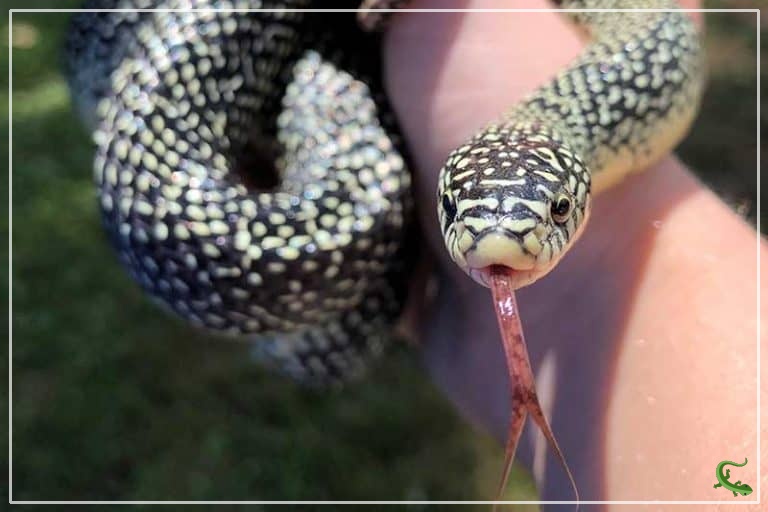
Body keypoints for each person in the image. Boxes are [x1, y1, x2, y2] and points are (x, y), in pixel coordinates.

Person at [384, 0, 765, 508]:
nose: (500, 249)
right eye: (456, 210)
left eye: (558, 211)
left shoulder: (626, 80)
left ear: (578, 194)